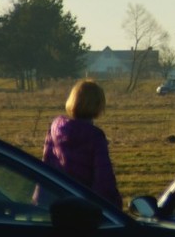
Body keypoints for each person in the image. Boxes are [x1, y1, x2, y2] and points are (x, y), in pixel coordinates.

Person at [42, 79, 122, 208]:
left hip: (57, 204)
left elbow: (46, 165)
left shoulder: (55, 128)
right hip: (84, 208)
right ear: (98, 105)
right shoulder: (95, 136)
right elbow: (103, 180)